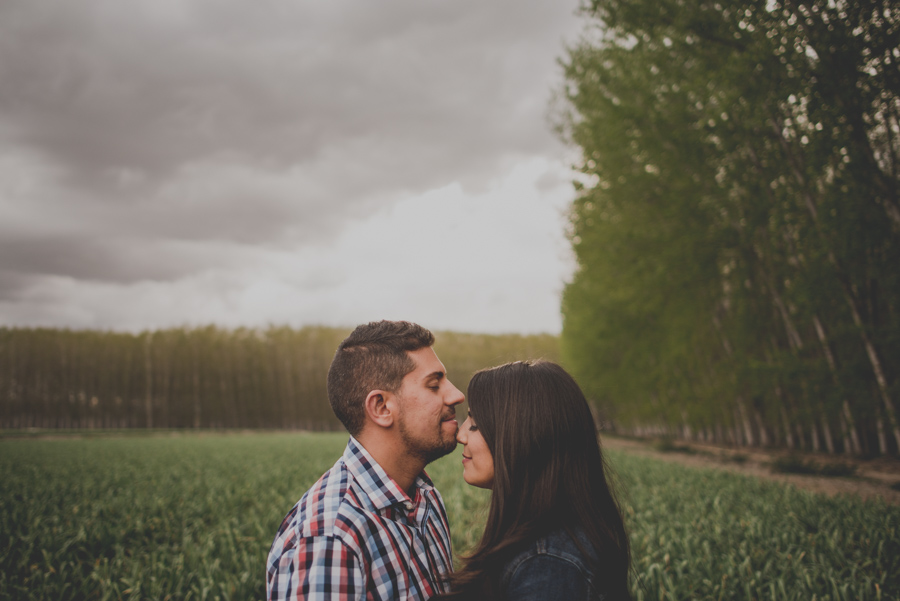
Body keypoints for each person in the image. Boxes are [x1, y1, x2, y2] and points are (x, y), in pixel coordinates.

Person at [266, 320, 465, 600]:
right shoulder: (329, 542)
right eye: (434, 385)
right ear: (381, 407)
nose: (457, 394)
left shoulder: (425, 497)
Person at [437, 360, 631, 601]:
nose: (461, 435)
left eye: (475, 424)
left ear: (521, 438)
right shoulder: (551, 541)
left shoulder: (547, 562)